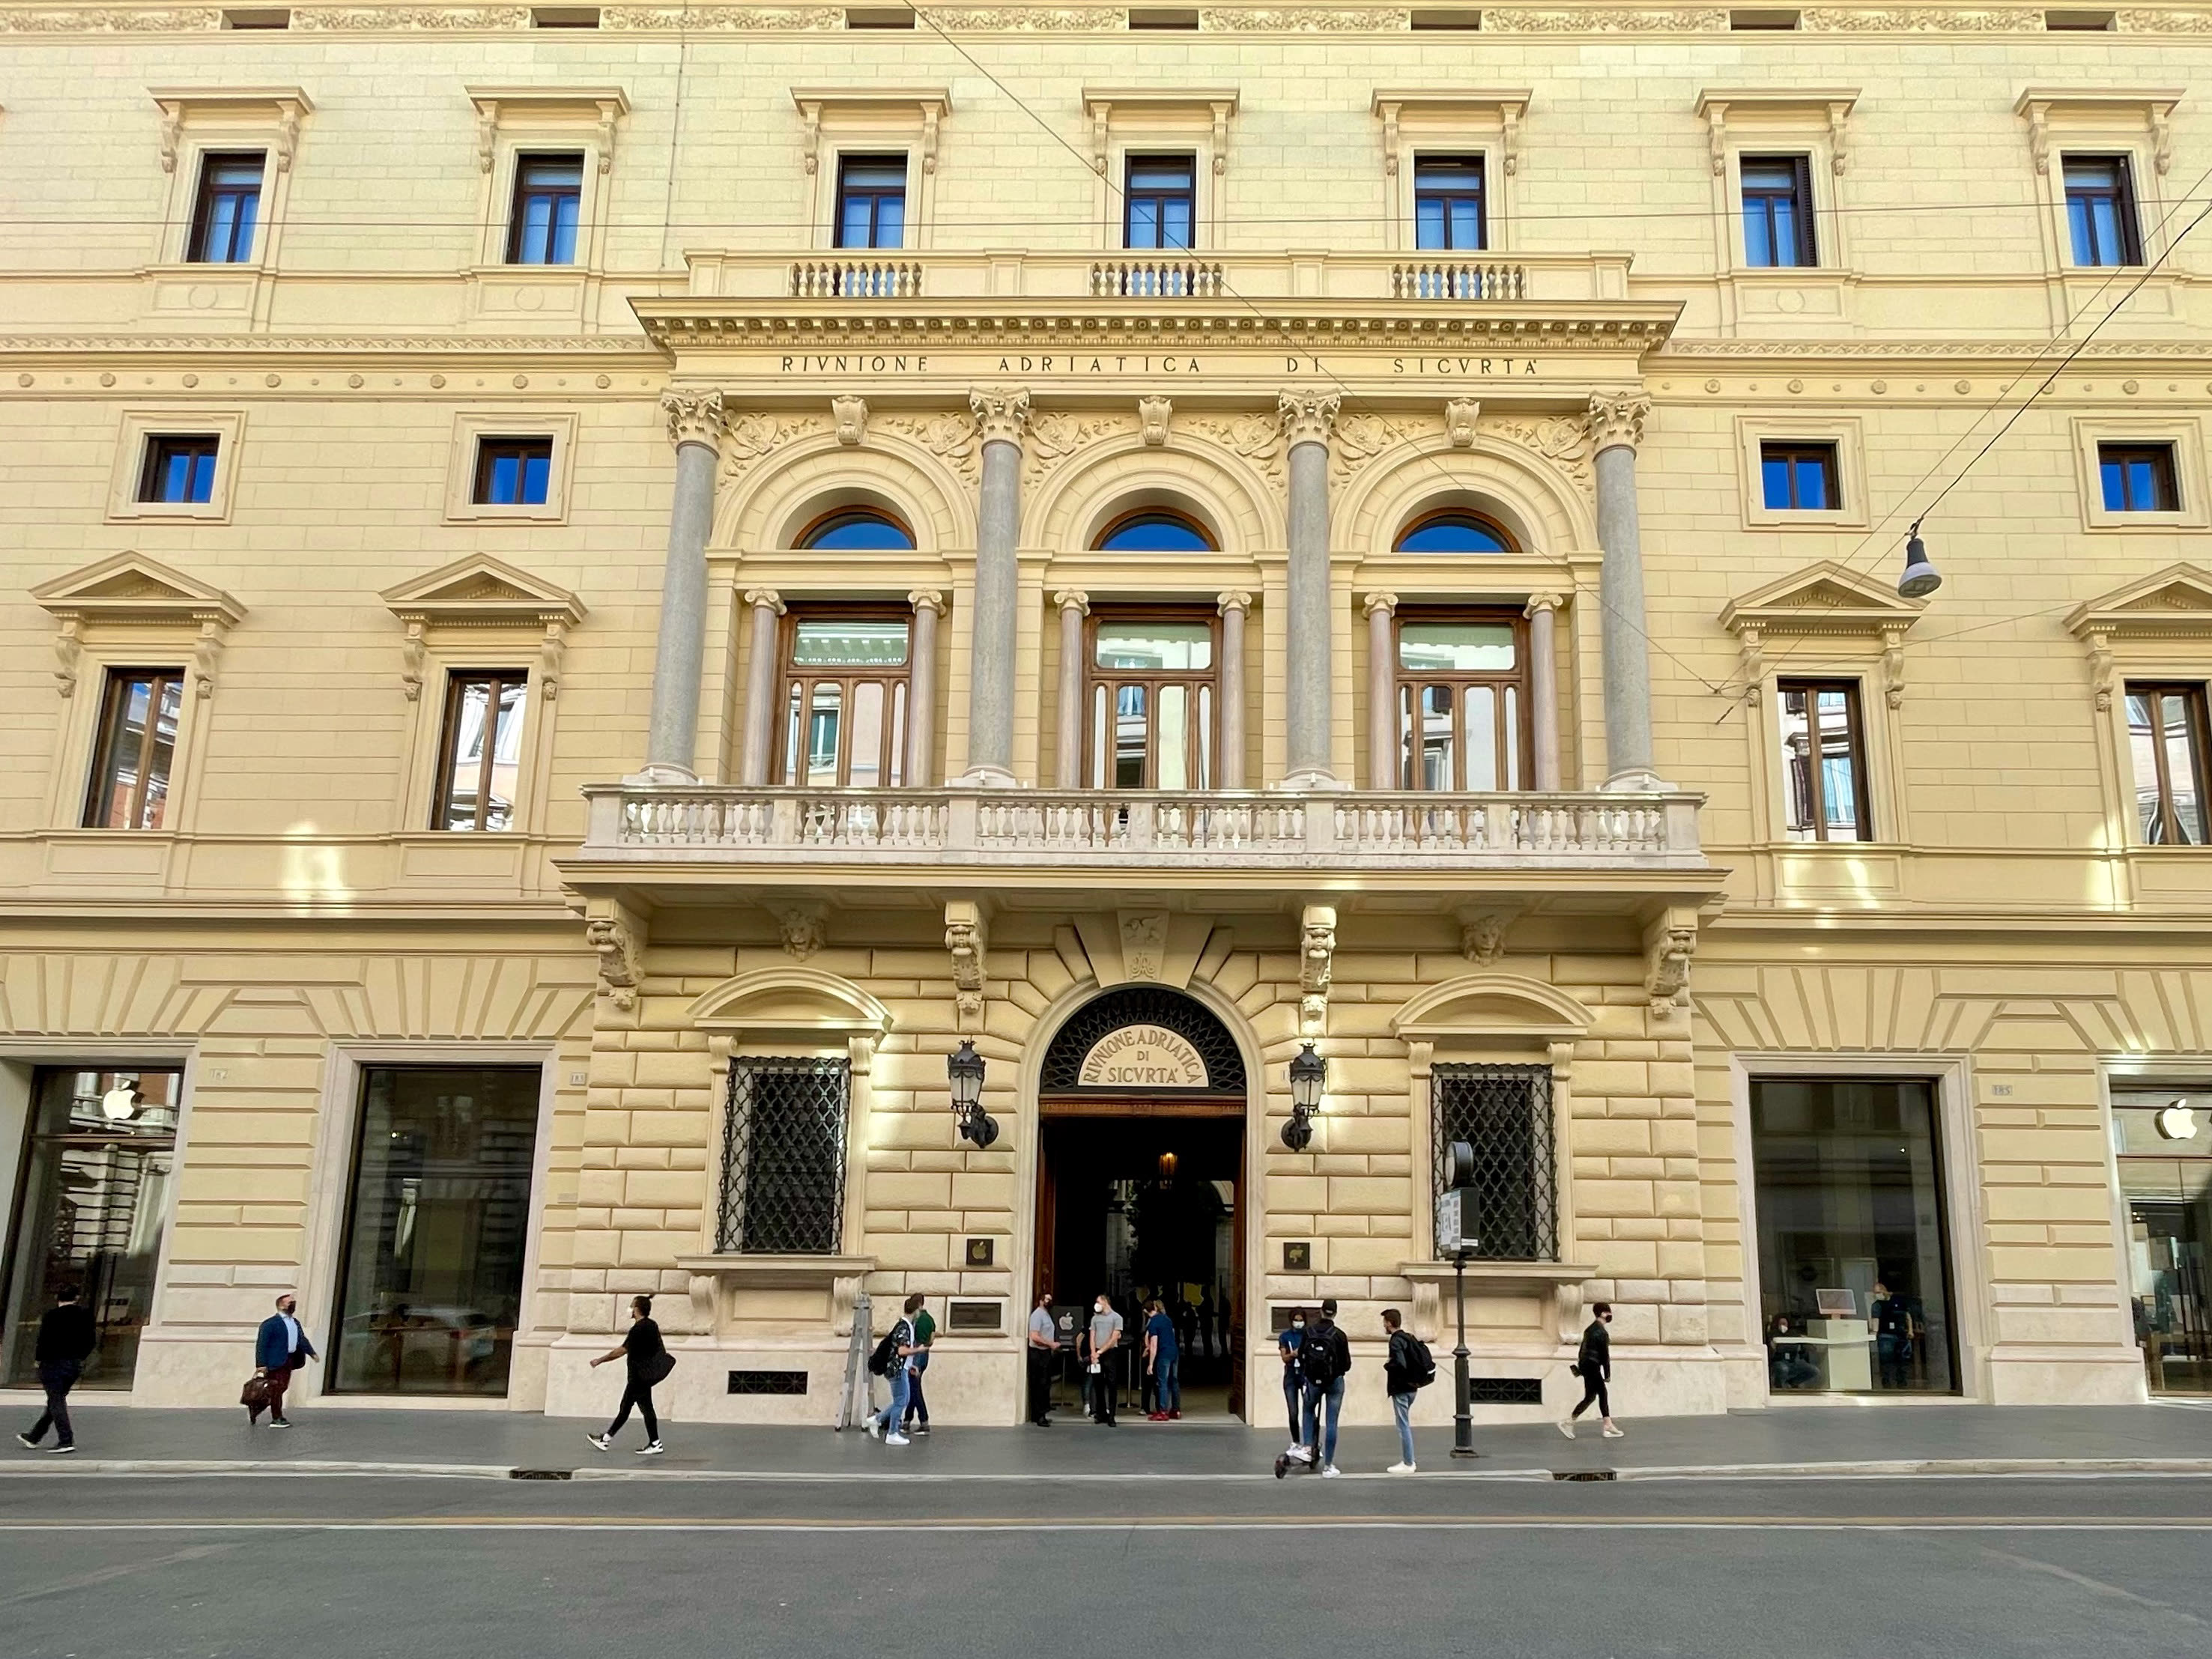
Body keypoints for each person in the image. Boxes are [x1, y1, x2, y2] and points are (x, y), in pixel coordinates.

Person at [16, 1285, 96, 1455]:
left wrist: (38, 1360)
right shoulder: (85, 1315)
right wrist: (80, 1356)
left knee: (56, 1400)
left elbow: (43, 1340)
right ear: (76, 1298)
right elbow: (91, 1341)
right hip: (73, 1364)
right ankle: (34, 1436)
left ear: (57, 1298)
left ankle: (65, 1440)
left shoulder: (51, 1316)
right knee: (55, 1400)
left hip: (52, 1363)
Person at [1277, 1296, 1350, 1478]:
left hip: (1312, 1381)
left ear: (1321, 1311)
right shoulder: (1339, 1335)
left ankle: (1308, 1448)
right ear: (1335, 1313)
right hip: (1334, 1382)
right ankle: (1329, 1467)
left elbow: (1301, 1356)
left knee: (1308, 1411)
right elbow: (1347, 1364)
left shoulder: (1309, 1332)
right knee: (1331, 1422)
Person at [587, 1293, 667, 1455]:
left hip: (638, 1377)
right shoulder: (652, 1325)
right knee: (633, 1408)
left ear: (637, 1309)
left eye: (632, 1305)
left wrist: (600, 1360)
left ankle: (653, 1443)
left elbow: (622, 1350)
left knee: (634, 1409)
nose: (630, 1309)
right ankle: (607, 1439)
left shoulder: (638, 1329)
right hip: (645, 1375)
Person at [250, 1292, 318, 1428]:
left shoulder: (295, 1323)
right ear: (281, 1305)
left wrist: (311, 1353)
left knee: (281, 1387)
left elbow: (301, 1339)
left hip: (289, 1360)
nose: (293, 1304)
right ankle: (277, 1417)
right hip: (275, 1361)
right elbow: (262, 1344)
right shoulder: (270, 1324)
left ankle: (257, 1407)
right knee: (277, 1388)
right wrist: (261, 1364)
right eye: (290, 1302)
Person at [866, 1292, 925, 1446]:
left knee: (902, 1400)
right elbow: (901, 1351)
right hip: (896, 1371)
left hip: (900, 1368)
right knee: (901, 1401)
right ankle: (892, 1433)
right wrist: (918, 1350)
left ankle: (877, 1420)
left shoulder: (905, 1326)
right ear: (917, 1309)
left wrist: (910, 1365)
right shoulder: (904, 1327)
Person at [1562, 1300, 1622, 1440]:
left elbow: (1582, 1351)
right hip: (1593, 1367)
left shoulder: (1589, 1329)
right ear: (1602, 1313)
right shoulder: (1601, 1332)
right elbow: (1604, 1355)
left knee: (1590, 1397)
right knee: (1602, 1392)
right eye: (1608, 1312)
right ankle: (1607, 1425)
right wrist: (1607, 1374)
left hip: (1587, 1366)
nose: (1610, 1314)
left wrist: (1581, 1369)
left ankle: (1570, 1422)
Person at [1382, 1307, 1420, 1475]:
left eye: (1384, 1322)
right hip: (1413, 1387)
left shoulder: (1396, 1341)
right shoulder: (1408, 1337)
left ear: (1389, 1323)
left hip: (1402, 1388)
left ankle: (1408, 1462)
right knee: (1403, 1424)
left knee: (1403, 1425)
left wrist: (1388, 1364)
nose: (1383, 1325)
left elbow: (1400, 1363)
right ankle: (1409, 1460)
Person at [1083, 1290, 1123, 1425]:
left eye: (1098, 1302)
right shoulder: (1095, 1318)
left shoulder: (1117, 1318)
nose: (1097, 1305)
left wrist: (1100, 1352)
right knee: (1098, 1384)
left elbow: (1114, 1338)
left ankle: (1111, 1415)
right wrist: (1093, 1353)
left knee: (1112, 1384)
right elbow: (1092, 1336)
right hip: (1097, 1353)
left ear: (1105, 1302)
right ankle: (1101, 1414)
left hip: (1110, 1353)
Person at [903, 1297, 936, 1436]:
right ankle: (907, 1421)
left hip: (916, 1355)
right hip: (925, 1355)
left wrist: (915, 1362)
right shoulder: (930, 1319)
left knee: (915, 1390)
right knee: (914, 1388)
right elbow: (932, 1338)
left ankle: (924, 1422)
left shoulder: (917, 1320)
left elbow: (913, 1341)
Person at [1145, 1297, 1181, 1421]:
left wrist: (1150, 1364)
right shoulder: (1167, 1319)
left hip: (1163, 1354)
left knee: (1162, 1382)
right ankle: (1176, 1410)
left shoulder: (1153, 1322)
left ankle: (1163, 1411)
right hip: (1174, 1352)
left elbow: (1154, 1344)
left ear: (1146, 1311)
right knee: (1174, 1381)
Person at [1276, 1308, 1307, 1448]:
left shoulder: (1308, 1335)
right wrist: (1293, 1355)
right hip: (1290, 1377)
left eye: (1301, 1320)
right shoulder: (1285, 1336)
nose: (1298, 1323)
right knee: (1293, 1412)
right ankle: (1295, 1441)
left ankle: (1309, 1442)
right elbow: (1284, 1357)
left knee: (1309, 1409)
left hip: (1305, 1375)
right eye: (1296, 1320)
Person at [1025, 1290, 1058, 1427]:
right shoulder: (1037, 1315)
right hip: (1038, 1353)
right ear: (1040, 1300)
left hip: (1044, 1353)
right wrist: (1051, 1344)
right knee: (1040, 1385)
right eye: (1047, 1299)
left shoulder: (1046, 1314)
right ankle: (1039, 1416)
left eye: (1050, 1299)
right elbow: (1034, 1336)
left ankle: (1039, 1414)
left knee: (1044, 1384)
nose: (1049, 1302)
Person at [1769, 1314, 1819, 1391]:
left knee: (1814, 1370)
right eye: (1780, 1324)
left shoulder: (1794, 1334)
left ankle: (1792, 1384)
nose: (1782, 1326)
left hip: (1794, 1361)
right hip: (1780, 1361)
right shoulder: (1773, 1334)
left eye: (1784, 1324)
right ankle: (1779, 1386)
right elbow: (1775, 1350)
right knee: (1783, 1369)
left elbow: (1805, 1344)